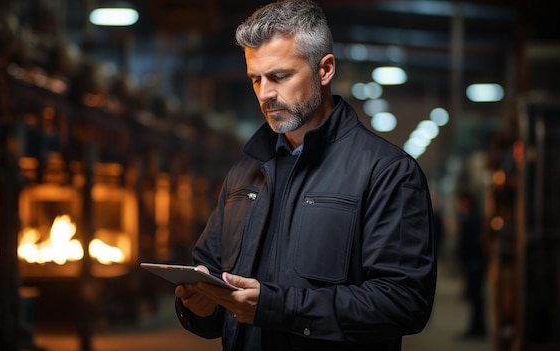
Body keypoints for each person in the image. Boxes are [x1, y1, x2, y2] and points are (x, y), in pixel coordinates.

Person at [174, 1, 437, 350]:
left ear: (324, 70)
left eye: (280, 76)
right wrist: (197, 307)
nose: (265, 93)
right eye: (256, 79)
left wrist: (276, 307)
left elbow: (404, 303)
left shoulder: (388, 173)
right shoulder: (245, 172)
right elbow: (208, 273)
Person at [455, 190, 487, 339]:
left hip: (475, 262)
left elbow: (472, 243)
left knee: (476, 298)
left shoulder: (473, 218)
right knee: (475, 297)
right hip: (474, 261)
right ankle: (476, 327)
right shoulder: (471, 216)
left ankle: (477, 328)